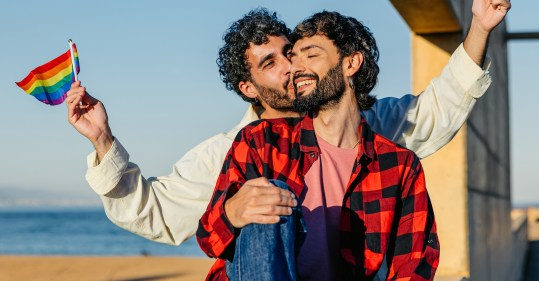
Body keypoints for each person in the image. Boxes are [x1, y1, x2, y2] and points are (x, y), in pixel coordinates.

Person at [66, 5, 493, 246]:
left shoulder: (360, 124)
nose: (290, 67)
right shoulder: (228, 152)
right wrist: (103, 140)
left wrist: (479, 26)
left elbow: (438, 108)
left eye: (290, 52)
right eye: (270, 64)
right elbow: (151, 210)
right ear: (248, 88)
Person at [197, 1, 510, 280]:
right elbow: (208, 238)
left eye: (311, 55)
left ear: (350, 63)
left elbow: (413, 265)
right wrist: (232, 212)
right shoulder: (261, 141)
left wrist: (480, 28)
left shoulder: (399, 166)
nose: (295, 67)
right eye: (294, 57)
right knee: (270, 195)